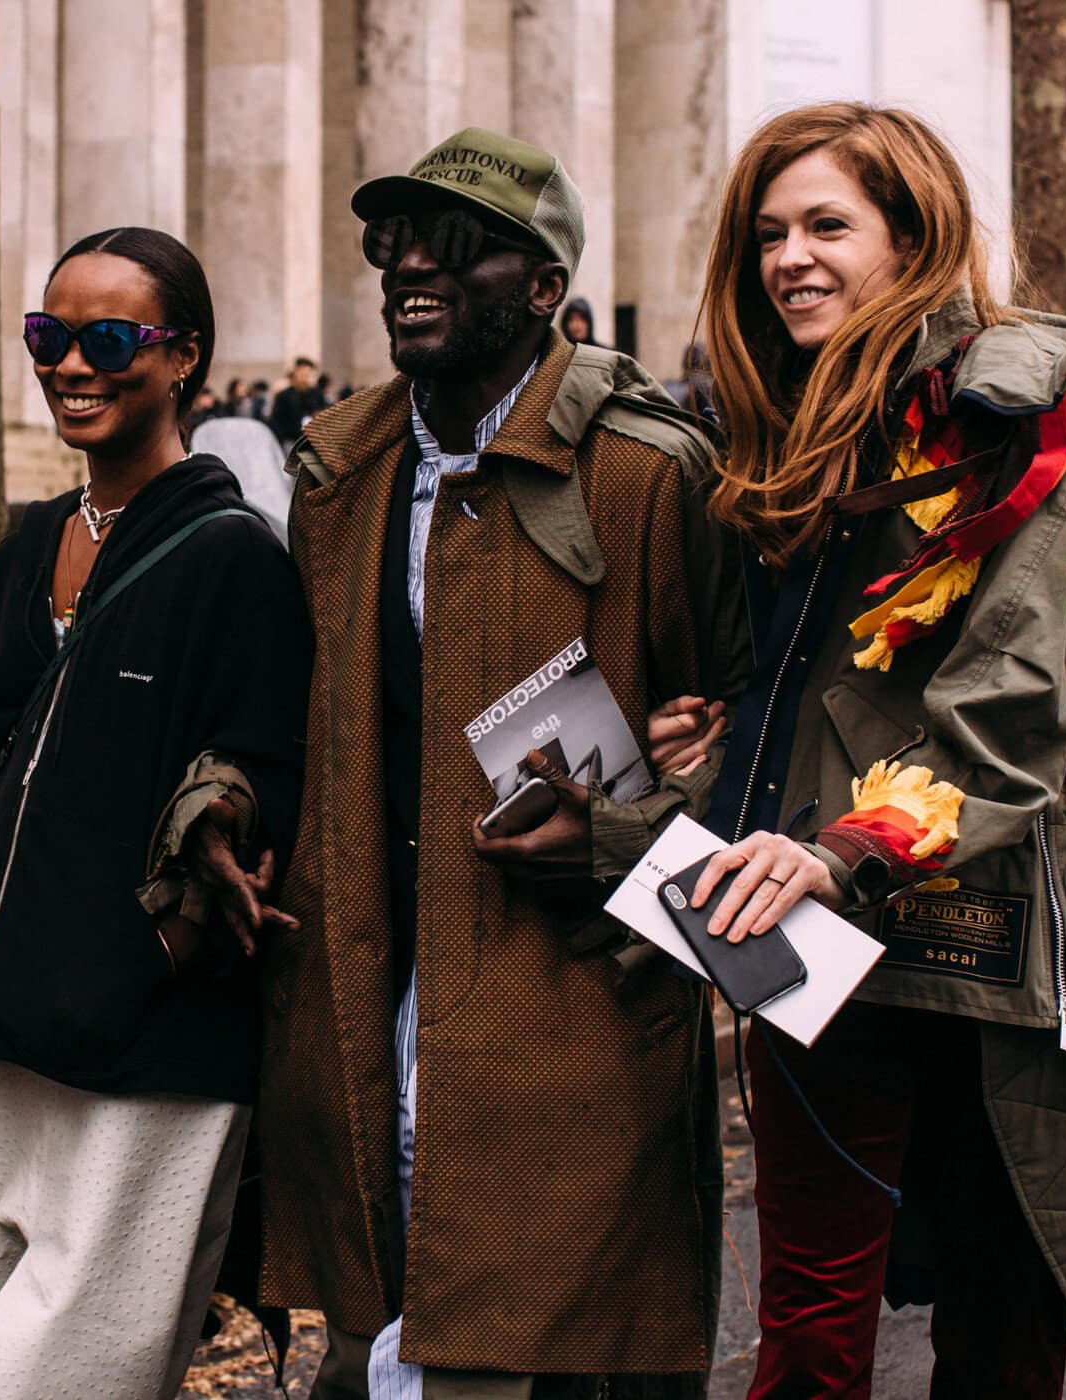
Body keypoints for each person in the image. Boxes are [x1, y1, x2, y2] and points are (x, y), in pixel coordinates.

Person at [675, 103, 1066, 1396]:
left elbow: (1014, 708)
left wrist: (844, 850)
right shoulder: (783, 426)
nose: (789, 259)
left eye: (827, 225)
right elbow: (811, 686)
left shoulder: (1028, 416)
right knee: (808, 1335)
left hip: (994, 946)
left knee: (998, 1332)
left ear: (913, 235)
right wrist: (711, 735)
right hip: (810, 931)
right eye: (767, 234)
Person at [256, 126, 746, 1398]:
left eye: (458, 244)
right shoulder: (338, 471)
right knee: (376, 1327)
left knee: (549, 1348)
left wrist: (638, 819)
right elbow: (291, 706)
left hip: (570, 1001)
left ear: (544, 288)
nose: (411, 265)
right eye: (393, 239)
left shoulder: (650, 474)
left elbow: (752, 735)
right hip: (371, 978)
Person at [0, 226, 312, 1400]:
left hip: (149, 1054)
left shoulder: (237, 558)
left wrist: (173, 915)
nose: (72, 365)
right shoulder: (32, 541)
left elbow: (274, 770)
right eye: (50, 335)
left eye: (111, 340)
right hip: (9, 1034)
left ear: (184, 357)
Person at [270, 356, 327, 445]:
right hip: (291, 440)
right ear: (296, 372)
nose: (305, 376)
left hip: (312, 441)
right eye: (302, 373)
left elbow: (322, 414)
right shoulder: (284, 396)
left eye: (308, 373)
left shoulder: (317, 394)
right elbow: (276, 421)